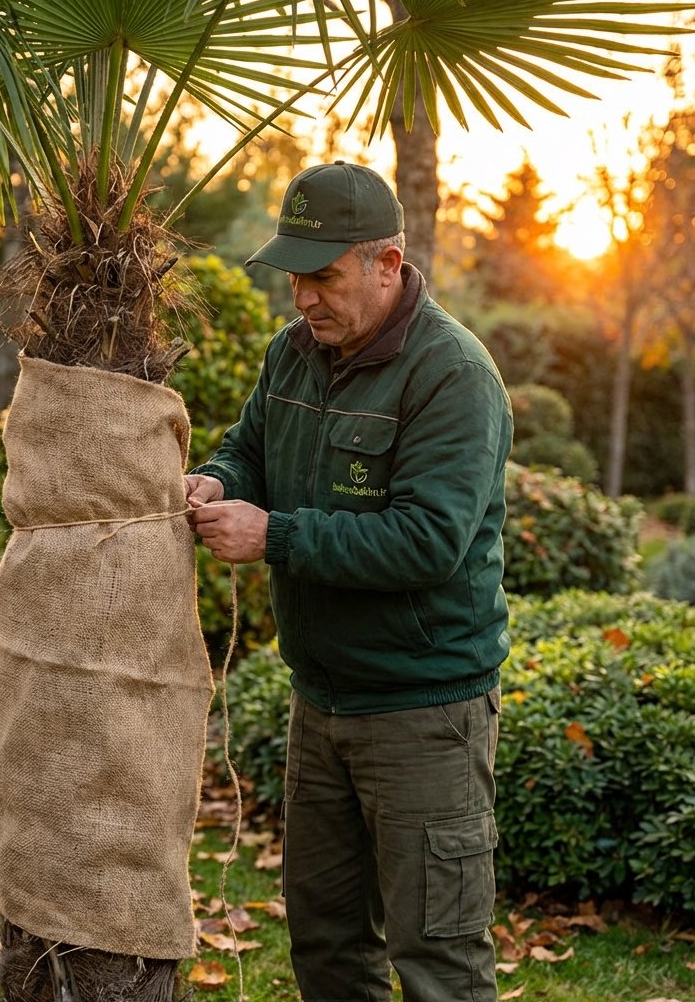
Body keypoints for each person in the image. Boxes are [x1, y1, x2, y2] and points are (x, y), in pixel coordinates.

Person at [185, 160, 512, 1002]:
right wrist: (219, 480)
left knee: (437, 958)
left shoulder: (454, 377)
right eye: (296, 278)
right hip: (320, 702)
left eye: (323, 277)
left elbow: (428, 541)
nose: (304, 299)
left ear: (388, 264)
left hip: (423, 711)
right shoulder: (292, 355)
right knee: (325, 942)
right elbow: (248, 448)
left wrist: (276, 535)